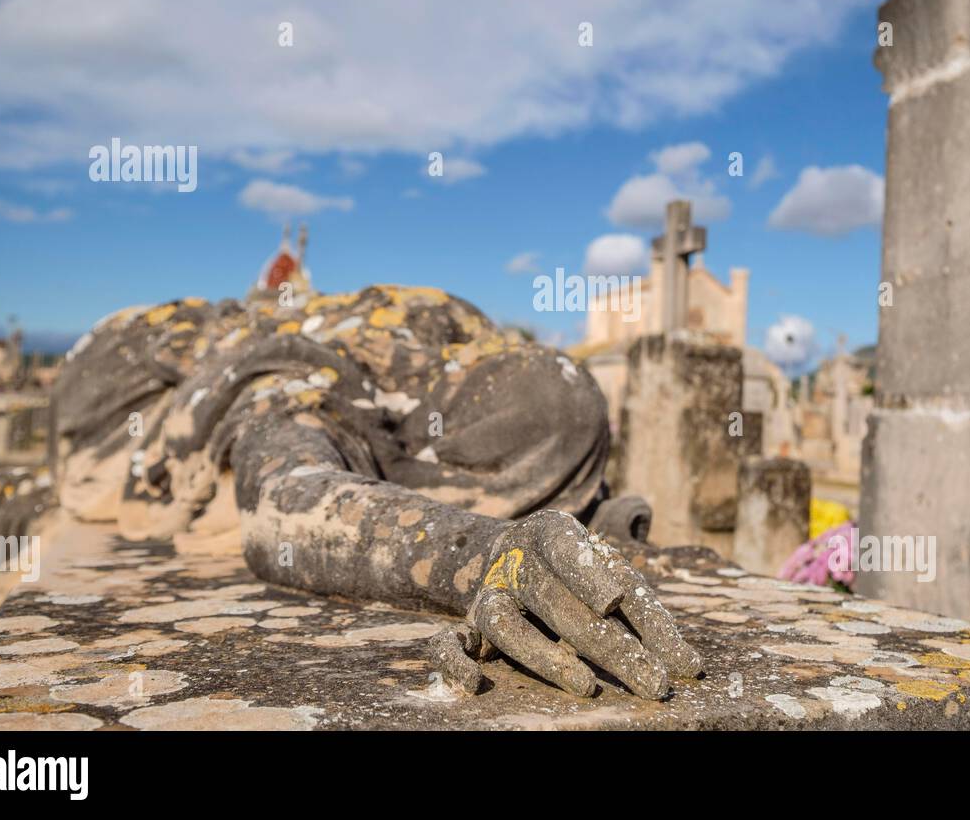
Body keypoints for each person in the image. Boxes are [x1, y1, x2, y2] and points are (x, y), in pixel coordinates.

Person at [53, 284, 701, 700]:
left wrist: (594, 522)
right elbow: (286, 501)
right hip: (124, 375)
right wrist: (478, 556)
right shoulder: (306, 369)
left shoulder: (457, 343)